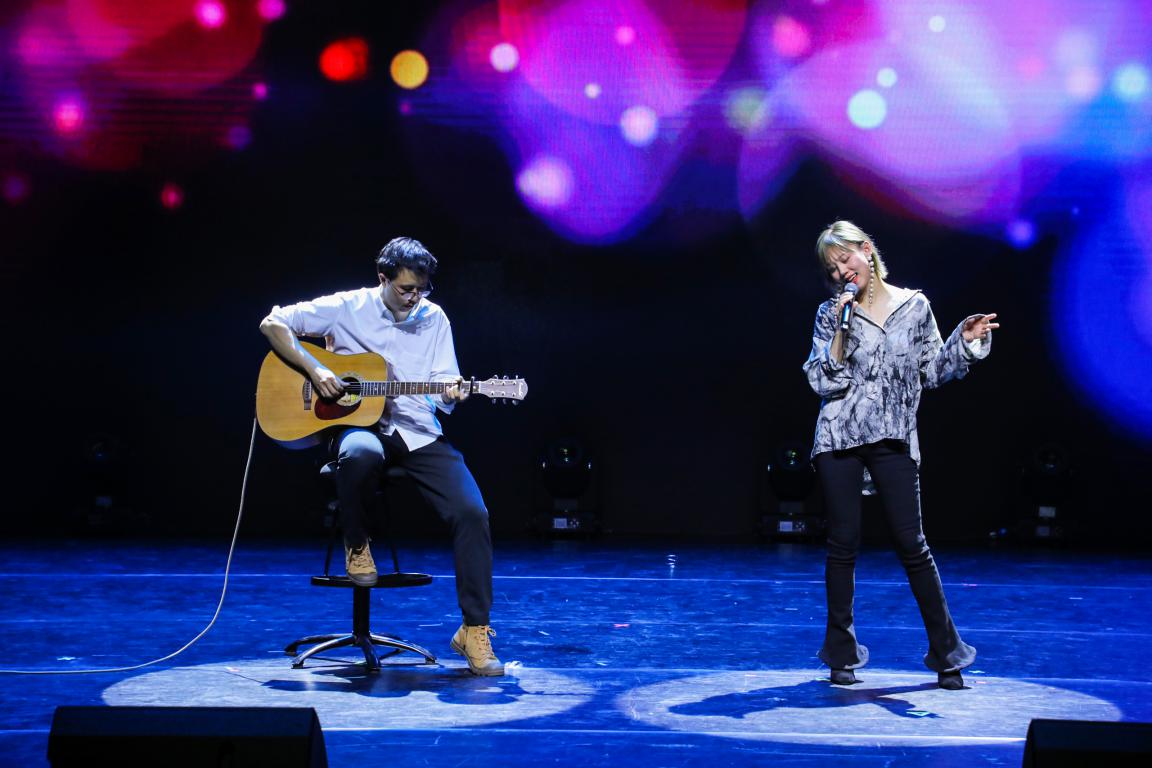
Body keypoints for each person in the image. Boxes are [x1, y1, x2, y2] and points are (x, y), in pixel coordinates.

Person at [259, 237, 503, 676]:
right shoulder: (347, 307)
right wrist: (317, 369)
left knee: (473, 512)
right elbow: (273, 323)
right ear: (383, 279)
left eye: (422, 289)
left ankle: (474, 630)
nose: (415, 298)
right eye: (406, 289)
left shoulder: (435, 318)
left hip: (416, 432)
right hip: (358, 427)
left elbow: (443, 381)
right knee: (360, 452)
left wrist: (452, 391)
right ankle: (357, 544)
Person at [802, 220, 999, 690]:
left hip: (893, 437)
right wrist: (842, 327)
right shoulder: (831, 314)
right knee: (843, 543)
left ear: (866, 250)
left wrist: (965, 342)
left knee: (913, 544)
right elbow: (821, 379)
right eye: (832, 269)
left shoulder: (914, 307)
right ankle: (841, 655)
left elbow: (932, 372)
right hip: (840, 436)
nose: (841, 272)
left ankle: (947, 654)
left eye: (845, 259)